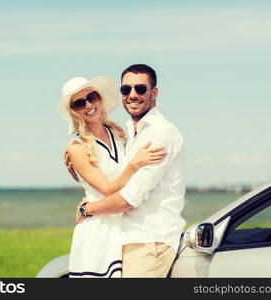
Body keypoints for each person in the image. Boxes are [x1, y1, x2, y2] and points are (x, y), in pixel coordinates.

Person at [75, 64, 187, 278]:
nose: (132, 95)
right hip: (127, 239)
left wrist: (87, 209)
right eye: (126, 90)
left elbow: (129, 198)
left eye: (140, 89)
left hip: (150, 240)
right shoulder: (130, 132)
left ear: (154, 93)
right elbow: (114, 180)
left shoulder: (161, 133)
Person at [57, 75, 167, 278]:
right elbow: (106, 188)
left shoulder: (119, 133)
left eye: (92, 97)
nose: (88, 104)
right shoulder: (76, 147)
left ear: (100, 97)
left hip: (124, 225)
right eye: (80, 103)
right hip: (98, 231)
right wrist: (134, 164)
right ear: (74, 111)